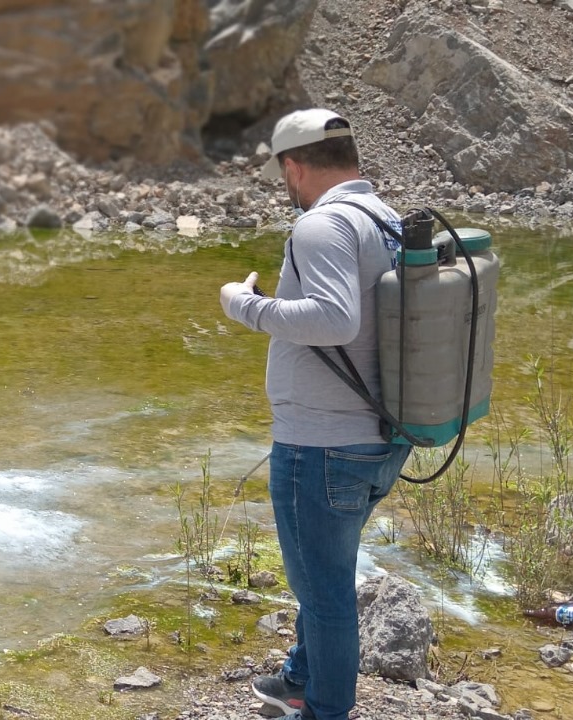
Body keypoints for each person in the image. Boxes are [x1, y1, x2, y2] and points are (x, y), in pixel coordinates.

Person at [216, 108, 414, 720]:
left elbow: (334, 319)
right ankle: (300, 676)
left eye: (283, 172)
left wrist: (247, 305)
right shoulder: (387, 220)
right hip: (379, 437)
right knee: (322, 570)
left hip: (323, 447)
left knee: (324, 592)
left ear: (294, 166)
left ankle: (324, 709)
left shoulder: (322, 226)